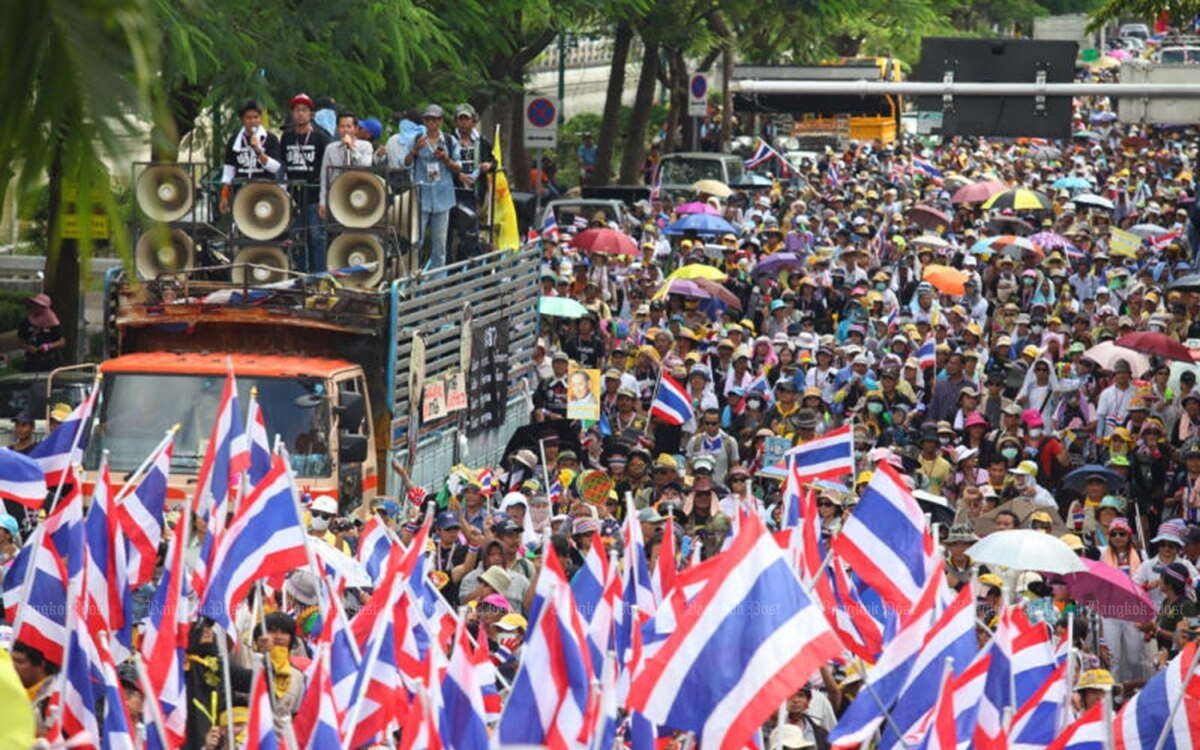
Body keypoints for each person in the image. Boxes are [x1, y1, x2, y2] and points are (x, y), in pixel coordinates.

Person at [398, 104, 461, 271]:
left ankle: (437, 283)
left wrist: (445, 159)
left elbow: (458, 168)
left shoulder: (449, 141)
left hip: (443, 195)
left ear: (440, 121)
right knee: (416, 241)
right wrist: (415, 150)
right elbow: (404, 165)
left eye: (435, 119)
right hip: (421, 196)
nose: (431, 123)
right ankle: (413, 275)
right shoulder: (416, 139)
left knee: (440, 244)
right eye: (428, 119)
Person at [280, 93, 330, 272]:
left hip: (314, 194)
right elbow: (283, 164)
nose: (300, 114)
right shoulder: (286, 137)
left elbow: (326, 167)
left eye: (304, 110)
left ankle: (320, 275)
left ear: (311, 114)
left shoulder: (320, 137)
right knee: (298, 238)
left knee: (316, 237)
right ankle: (300, 275)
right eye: (297, 110)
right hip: (295, 195)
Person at [218, 99, 282, 214]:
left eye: (256, 117)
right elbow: (229, 171)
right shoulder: (234, 141)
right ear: (242, 120)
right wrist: (224, 195)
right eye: (249, 118)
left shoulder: (270, 139)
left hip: (264, 191)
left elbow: (275, 167)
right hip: (241, 192)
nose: (253, 121)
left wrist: (258, 151)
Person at [317, 110, 375, 225]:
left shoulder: (366, 146)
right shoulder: (330, 148)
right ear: (337, 129)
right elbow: (324, 176)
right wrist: (322, 201)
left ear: (356, 129)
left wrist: (352, 148)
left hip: (357, 194)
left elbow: (365, 166)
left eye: (349, 126)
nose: (345, 130)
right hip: (336, 195)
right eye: (342, 126)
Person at [18, 293, 64, 372]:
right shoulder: (26, 322)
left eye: (39, 306)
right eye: (35, 304)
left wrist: (49, 346)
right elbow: (20, 341)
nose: (36, 308)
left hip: (50, 362)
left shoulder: (53, 322)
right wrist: (28, 348)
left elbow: (61, 342)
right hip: (32, 362)